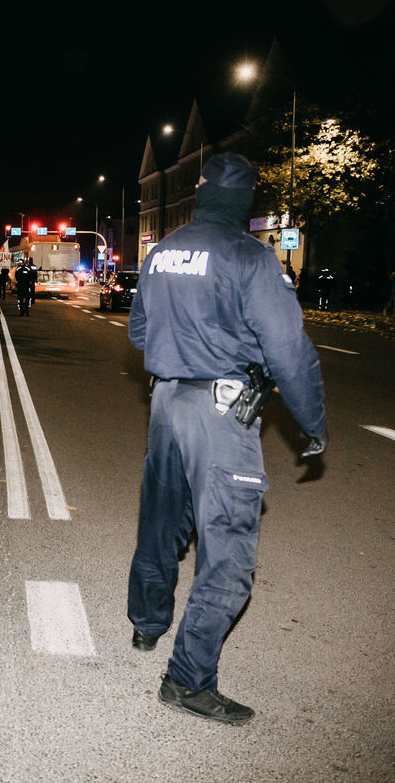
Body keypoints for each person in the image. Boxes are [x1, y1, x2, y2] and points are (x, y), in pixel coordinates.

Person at [125, 153, 327, 725]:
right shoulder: (249, 256)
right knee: (230, 551)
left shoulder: (162, 251)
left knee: (163, 520)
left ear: (202, 191)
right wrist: (312, 422)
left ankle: (147, 623)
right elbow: (289, 350)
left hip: (165, 402)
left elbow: (140, 331)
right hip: (220, 411)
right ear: (244, 202)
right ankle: (188, 681)